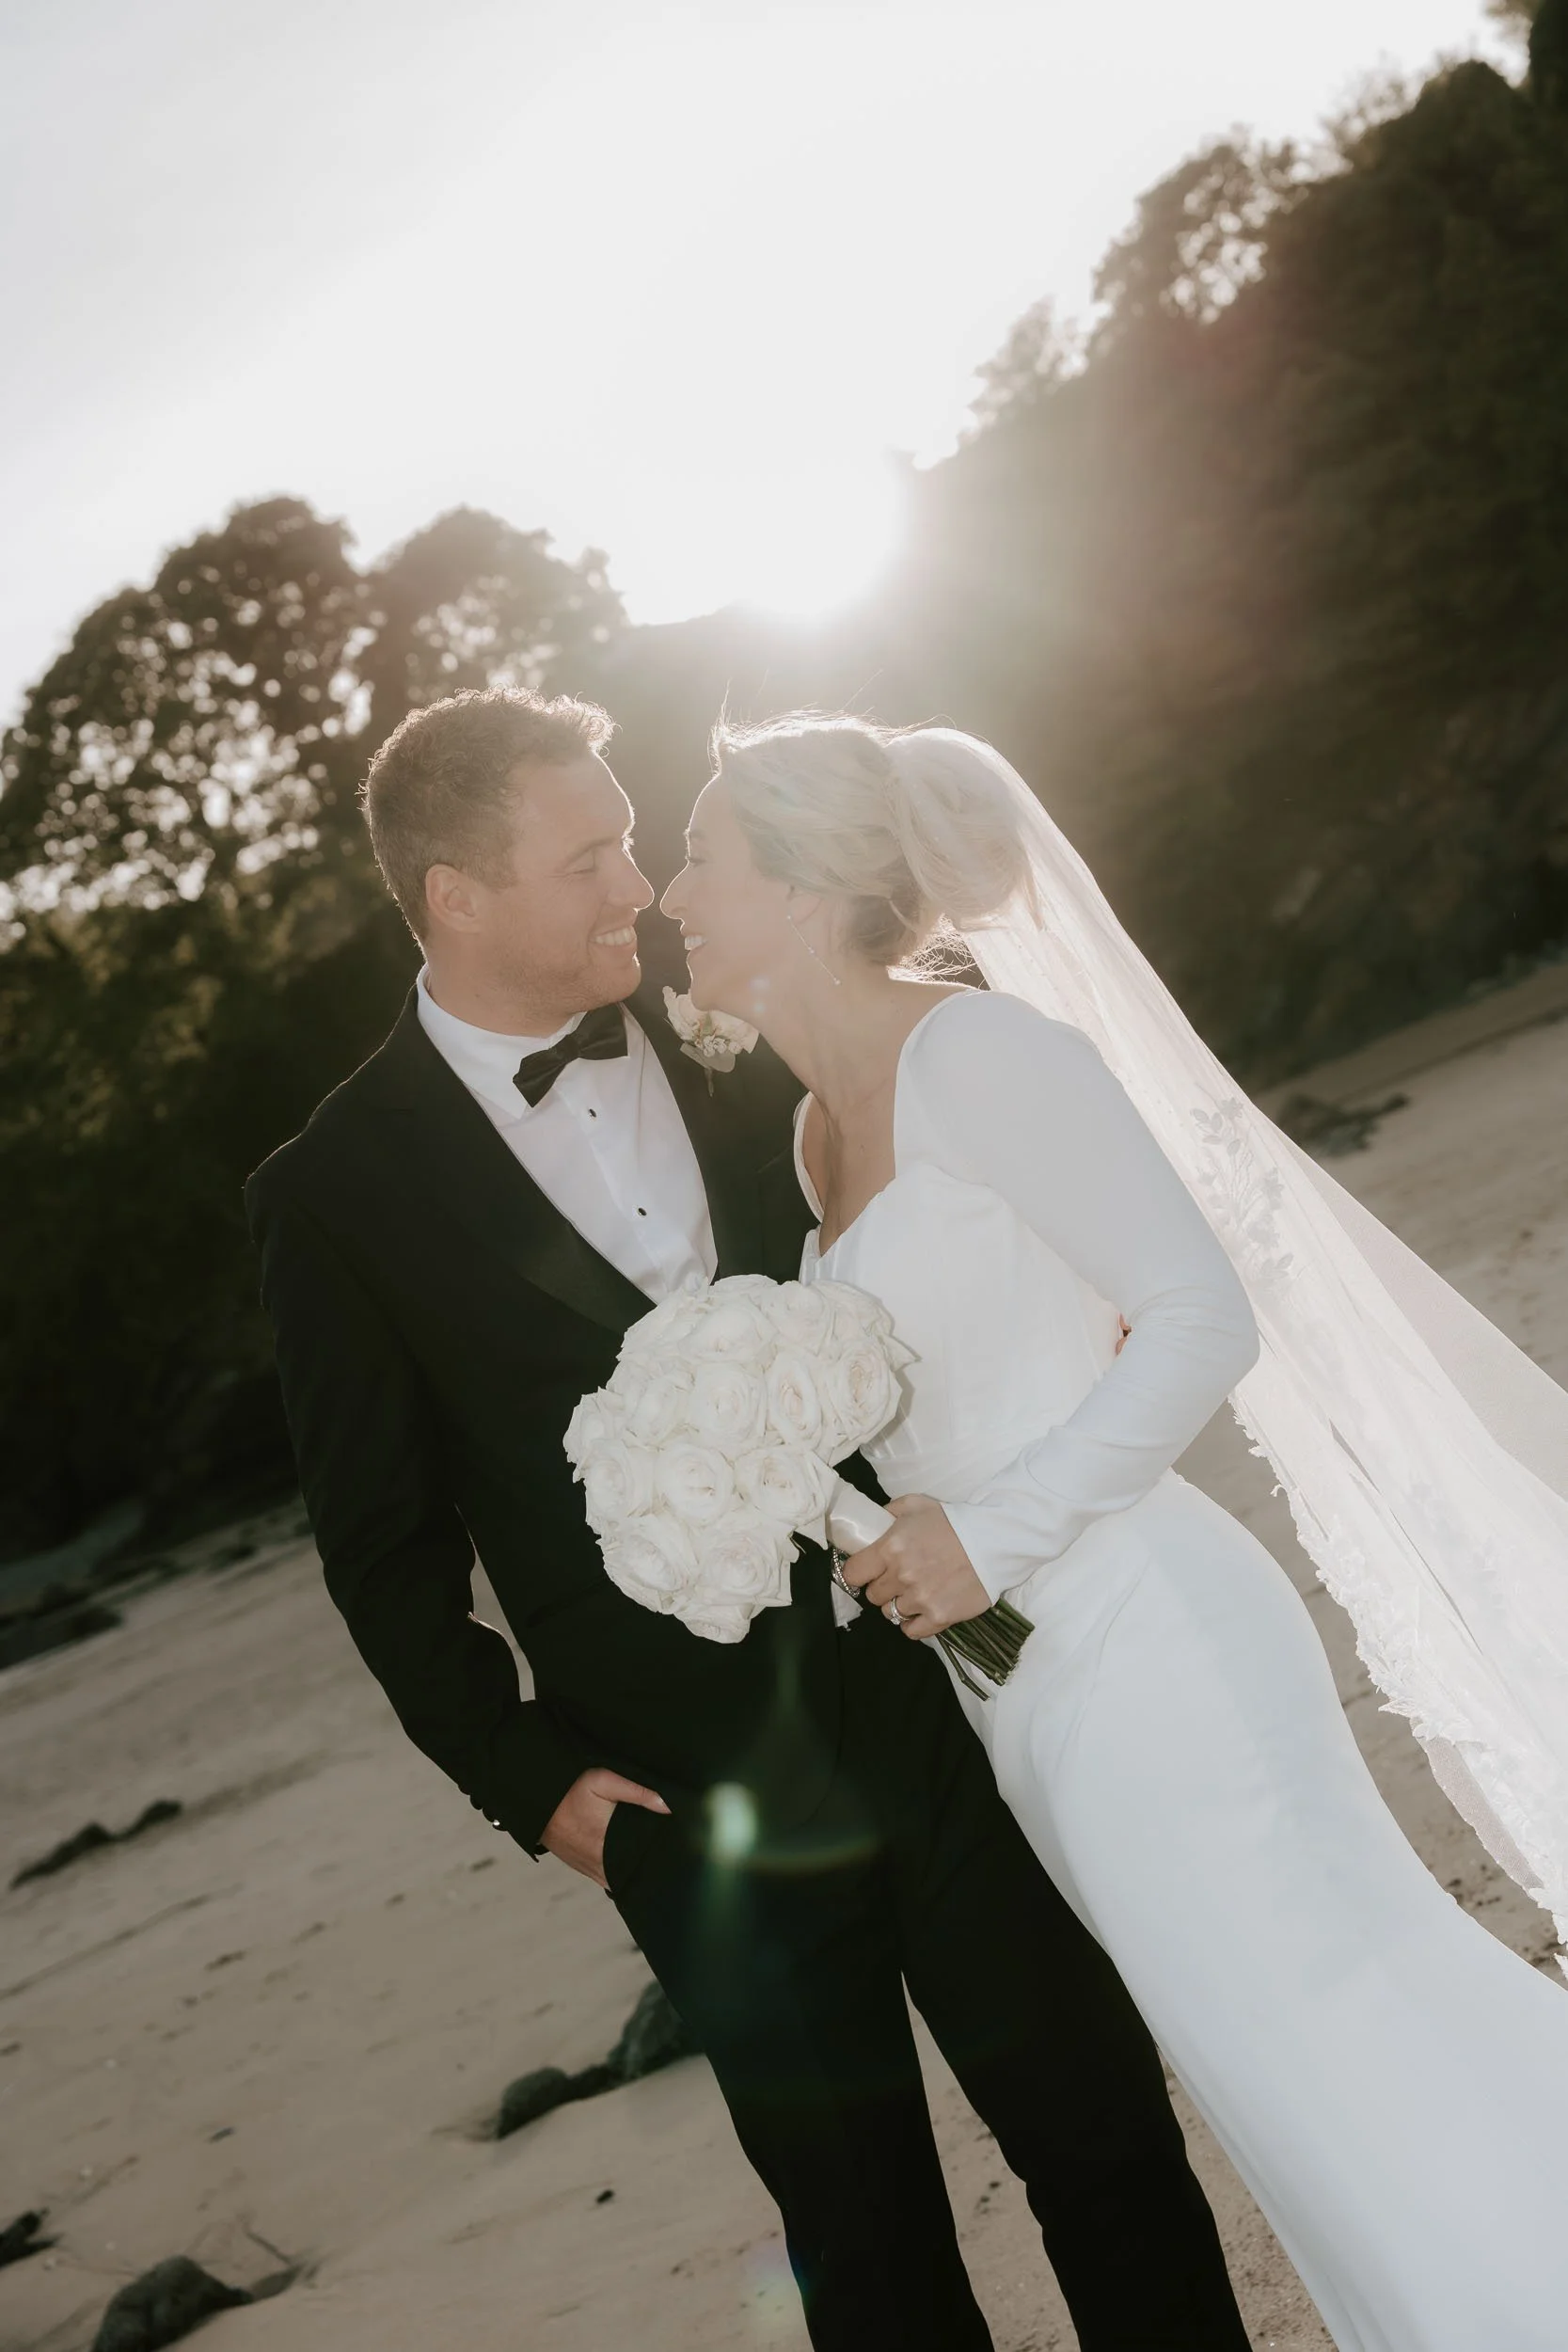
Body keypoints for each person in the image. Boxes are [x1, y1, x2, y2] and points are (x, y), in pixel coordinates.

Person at [244, 686, 1253, 2352]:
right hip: (683, 1798)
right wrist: (528, 1783)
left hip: (934, 1695)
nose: (637, 887)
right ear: (455, 896)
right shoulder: (334, 1192)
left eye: (637, 843)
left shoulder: (750, 1037)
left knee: (1104, 2139)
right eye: (587, 859)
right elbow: (383, 1547)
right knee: (865, 2249)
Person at [658, 708, 1568, 2352]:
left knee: (1348, 2041)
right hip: (1026, 1697)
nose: (670, 893)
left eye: (698, 855)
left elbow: (1198, 1316)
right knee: (1289, 2105)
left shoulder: (980, 1057)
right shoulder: (811, 1132)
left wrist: (992, 1535)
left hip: (1156, 1647)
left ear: (798, 886)